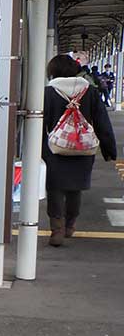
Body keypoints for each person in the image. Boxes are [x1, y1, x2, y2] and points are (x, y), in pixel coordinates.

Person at [42, 54, 118, 246]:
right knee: (75, 188)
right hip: (83, 147)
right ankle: (70, 225)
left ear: (53, 71)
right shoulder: (89, 91)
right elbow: (102, 122)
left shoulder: (48, 92)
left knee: (55, 188)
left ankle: (57, 229)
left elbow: (39, 123)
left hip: (55, 148)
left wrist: (38, 149)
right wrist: (109, 149)